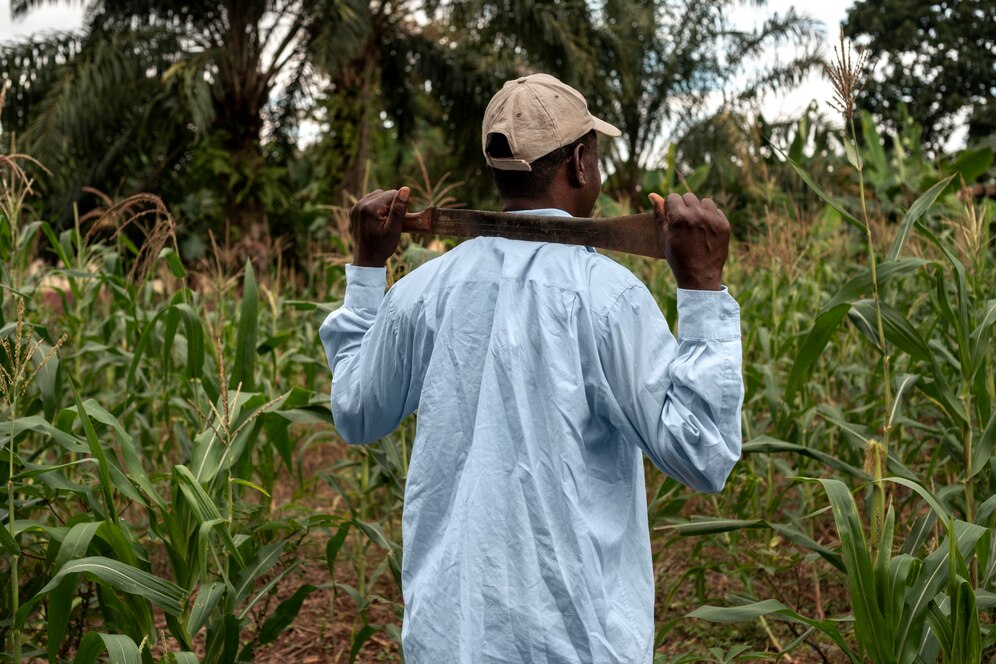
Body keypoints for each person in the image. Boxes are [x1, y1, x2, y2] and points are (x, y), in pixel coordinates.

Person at [320, 73, 743, 663]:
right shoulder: (608, 299)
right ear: (579, 163)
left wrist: (367, 269)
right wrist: (702, 289)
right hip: (575, 642)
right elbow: (703, 454)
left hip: (452, 637)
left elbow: (355, 413)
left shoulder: (423, 291)